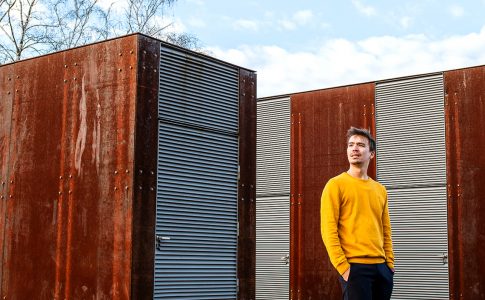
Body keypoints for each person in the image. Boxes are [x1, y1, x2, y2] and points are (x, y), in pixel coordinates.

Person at [320, 127, 394, 300]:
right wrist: (343, 268)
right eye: (351, 145)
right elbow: (328, 230)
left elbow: (386, 230)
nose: (354, 148)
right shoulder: (335, 185)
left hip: (382, 269)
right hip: (354, 268)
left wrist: (389, 264)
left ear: (371, 154)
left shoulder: (380, 190)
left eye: (360, 145)